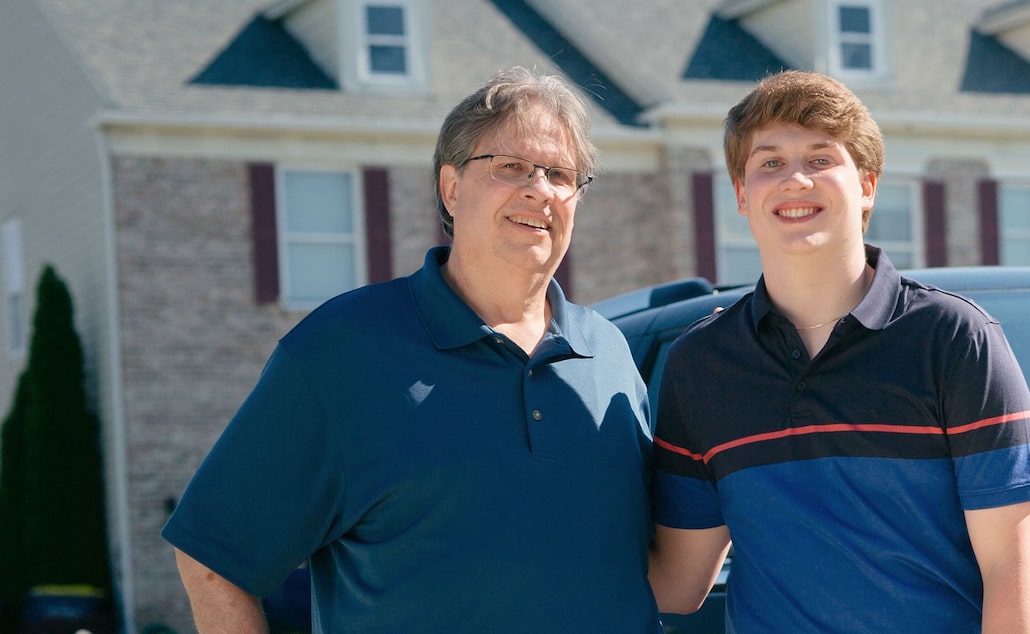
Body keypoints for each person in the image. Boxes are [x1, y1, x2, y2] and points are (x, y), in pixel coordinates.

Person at [162, 66, 662, 633]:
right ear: (451, 188)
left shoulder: (609, 355)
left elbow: (659, 563)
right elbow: (213, 557)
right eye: (511, 167)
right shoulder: (344, 350)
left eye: (560, 174)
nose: (539, 190)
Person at [647, 70, 1030, 633]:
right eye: (769, 163)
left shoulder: (954, 338)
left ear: (866, 185)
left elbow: (1014, 568)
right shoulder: (701, 364)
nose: (795, 180)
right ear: (741, 193)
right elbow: (679, 584)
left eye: (819, 159)